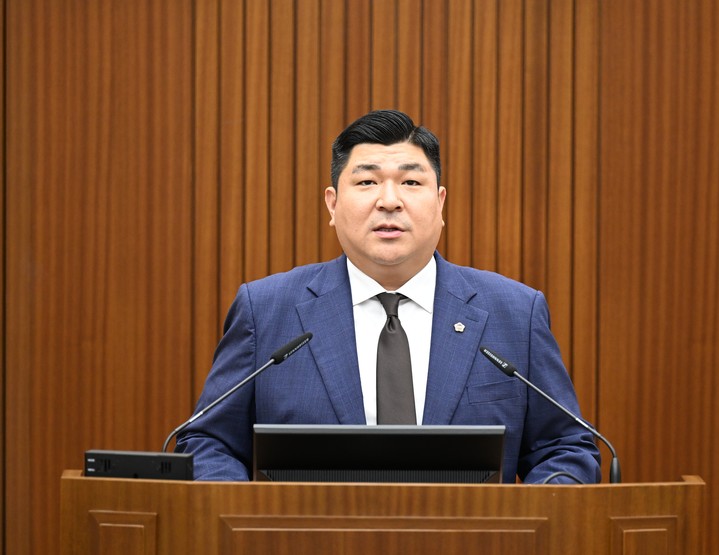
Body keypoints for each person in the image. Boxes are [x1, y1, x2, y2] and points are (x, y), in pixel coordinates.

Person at [176, 109, 601, 483]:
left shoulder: (514, 313)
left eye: (411, 181)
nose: (389, 201)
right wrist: (245, 520)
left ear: (440, 203)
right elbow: (209, 443)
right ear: (332, 204)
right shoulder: (267, 310)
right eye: (367, 181)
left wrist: (530, 520)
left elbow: (565, 449)